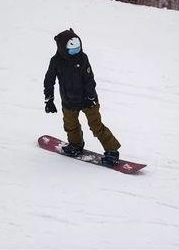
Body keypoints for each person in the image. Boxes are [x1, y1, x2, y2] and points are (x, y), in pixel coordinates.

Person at [43, 28, 121, 166]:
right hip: (69, 101)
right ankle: (76, 145)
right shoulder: (56, 61)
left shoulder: (83, 58)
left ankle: (112, 150)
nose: (76, 52)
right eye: (72, 50)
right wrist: (49, 99)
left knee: (96, 125)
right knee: (70, 125)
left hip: (88, 100)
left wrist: (91, 96)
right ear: (62, 48)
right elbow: (49, 81)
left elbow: (89, 79)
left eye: (78, 49)